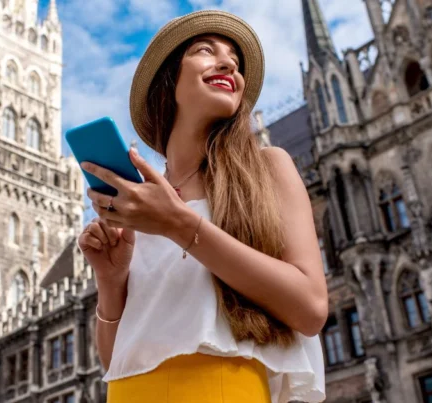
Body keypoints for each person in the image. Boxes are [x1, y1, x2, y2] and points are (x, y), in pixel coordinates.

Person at [77, 10, 328, 403]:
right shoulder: (141, 206)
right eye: (205, 50)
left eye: (235, 60)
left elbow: (311, 308)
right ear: (168, 81)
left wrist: (179, 224)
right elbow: (117, 361)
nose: (228, 62)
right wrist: (111, 282)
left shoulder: (269, 167)